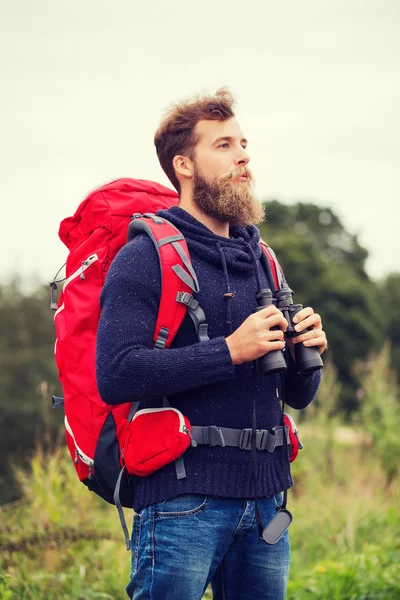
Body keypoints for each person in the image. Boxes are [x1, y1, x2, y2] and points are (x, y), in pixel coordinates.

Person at [96, 88, 327, 600]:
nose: (243, 155)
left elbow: (298, 395)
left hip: (268, 499)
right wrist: (229, 350)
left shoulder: (263, 259)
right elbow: (115, 374)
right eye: (224, 145)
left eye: (244, 143)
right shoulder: (144, 256)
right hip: (183, 500)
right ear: (184, 164)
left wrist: (305, 356)